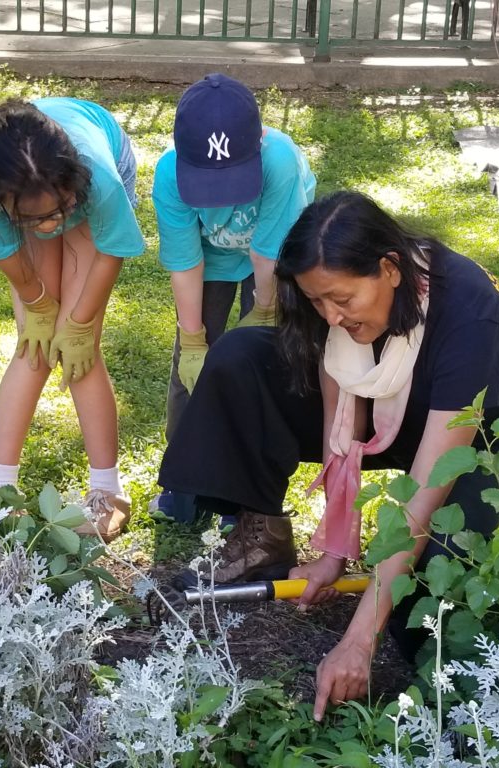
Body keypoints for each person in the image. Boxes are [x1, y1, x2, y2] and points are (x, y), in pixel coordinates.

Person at [158, 191, 499, 719]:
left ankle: (463, 713)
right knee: (241, 359)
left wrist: (359, 640)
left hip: (478, 444)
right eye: (318, 302)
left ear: (390, 269)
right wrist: (336, 550)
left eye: (342, 300)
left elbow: (428, 490)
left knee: (428, 582)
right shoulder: (329, 299)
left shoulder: (469, 314)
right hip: (387, 417)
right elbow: (344, 435)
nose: (331, 317)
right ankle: (262, 535)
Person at [0, 97, 145, 542]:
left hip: (89, 173)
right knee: (33, 344)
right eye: (35, 219)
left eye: (57, 211)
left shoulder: (97, 175)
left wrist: (78, 324)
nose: (50, 226)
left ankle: (107, 494)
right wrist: (38, 304)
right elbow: (3, 249)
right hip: (35, 187)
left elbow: (112, 248)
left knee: (79, 348)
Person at [150, 73, 317, 522]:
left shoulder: (280, 163)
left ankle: (244, 490)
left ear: (259, 140)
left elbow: (269, 253)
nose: (221, 194)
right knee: (191, 361)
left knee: (261, 362)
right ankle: (182, 482)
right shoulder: (168, 177)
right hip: (213, 258)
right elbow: (185, 262)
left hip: (274, 253)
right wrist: (193, 339)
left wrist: (264, 312)